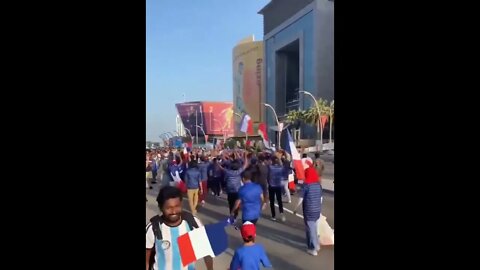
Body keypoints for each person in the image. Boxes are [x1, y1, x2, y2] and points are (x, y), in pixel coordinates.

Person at [146, 186, 213, 270]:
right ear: (161, 208)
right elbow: (147, 254)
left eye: (177, 206)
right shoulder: (153, 227)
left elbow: (206, 250)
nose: (174, 211)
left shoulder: (192, 223)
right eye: (169, 208)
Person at [217, 151, 249, 219]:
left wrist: (217, 163)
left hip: (230, 190)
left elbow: (221, 168)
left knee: (231, 202)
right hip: (237, 190)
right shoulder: (238, 172)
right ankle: (235, 214)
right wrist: (245, 156)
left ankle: (231, 213)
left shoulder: (228, 172)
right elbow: (245, 165)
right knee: (237, 202)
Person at [267, 156, 286, 222]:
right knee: (279, 200)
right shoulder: (280, 168)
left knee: (272, 202)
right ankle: (281, 213)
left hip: (271, 186)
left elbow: (268, 162)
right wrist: (279, 158)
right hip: (278, 186)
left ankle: (273, 216)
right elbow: (281, 164)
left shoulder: (270, 168)